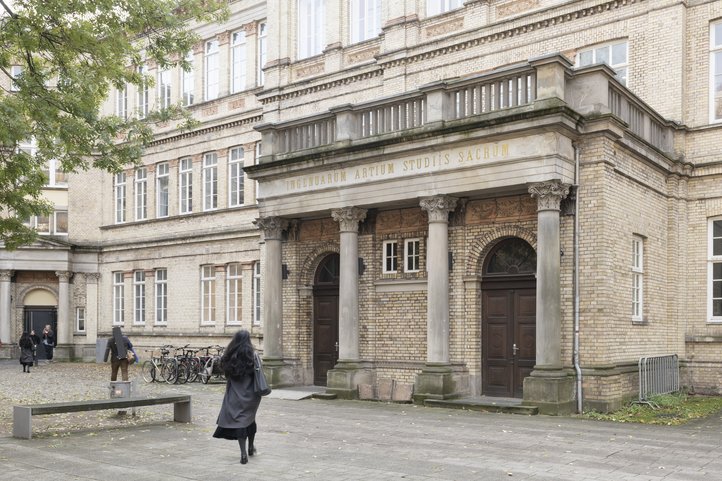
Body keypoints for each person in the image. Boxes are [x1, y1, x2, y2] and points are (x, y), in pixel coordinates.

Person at [213, 330, 262, 465]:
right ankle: (251, 447)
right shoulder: (253, 355)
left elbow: (224, 371)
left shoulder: (229, 356)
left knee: (240, 421)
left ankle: (243, 454)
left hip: (235, 394)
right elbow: (259, 374)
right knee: (249, 419)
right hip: (251, 395)